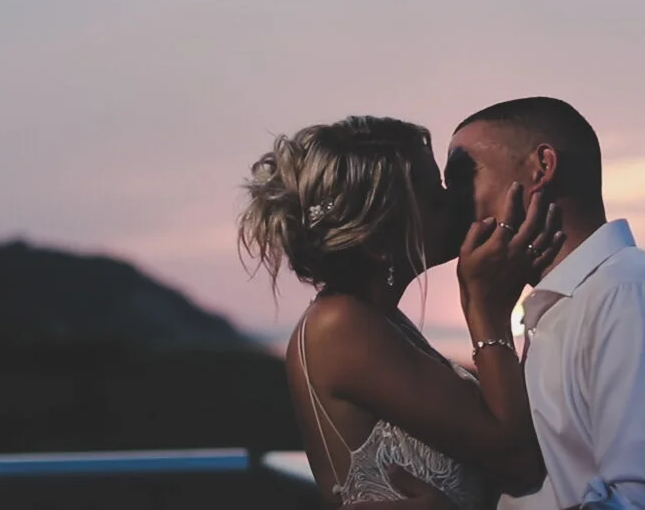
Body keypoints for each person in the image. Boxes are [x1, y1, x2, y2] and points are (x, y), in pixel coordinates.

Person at [351, 97, 645, 510]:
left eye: (465, 176)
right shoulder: (561, 308)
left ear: (542, 167)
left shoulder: (632, 295)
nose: (452, 203)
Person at [238, 115, 567, 510]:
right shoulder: (339, 326)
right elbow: (520, 463)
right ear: (377, 240)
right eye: (432, 198)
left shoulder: (376, 319)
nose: (456, 201)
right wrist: (487, 309)